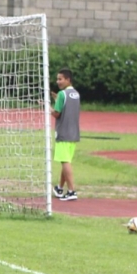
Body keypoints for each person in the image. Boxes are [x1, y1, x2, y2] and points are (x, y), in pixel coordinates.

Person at [51, 68, 80, 201]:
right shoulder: (75, 94)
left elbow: (57, 113)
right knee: (66, 160)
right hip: (74, 132)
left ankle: (72, 191)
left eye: (60, 79)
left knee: (65, 161)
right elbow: (67, 107)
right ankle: (59, 187)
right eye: (57, 79)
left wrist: (48, 107)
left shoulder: (62, 94)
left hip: (63, 132)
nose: (58, 81)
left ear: (68, 79)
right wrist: (57, 99)